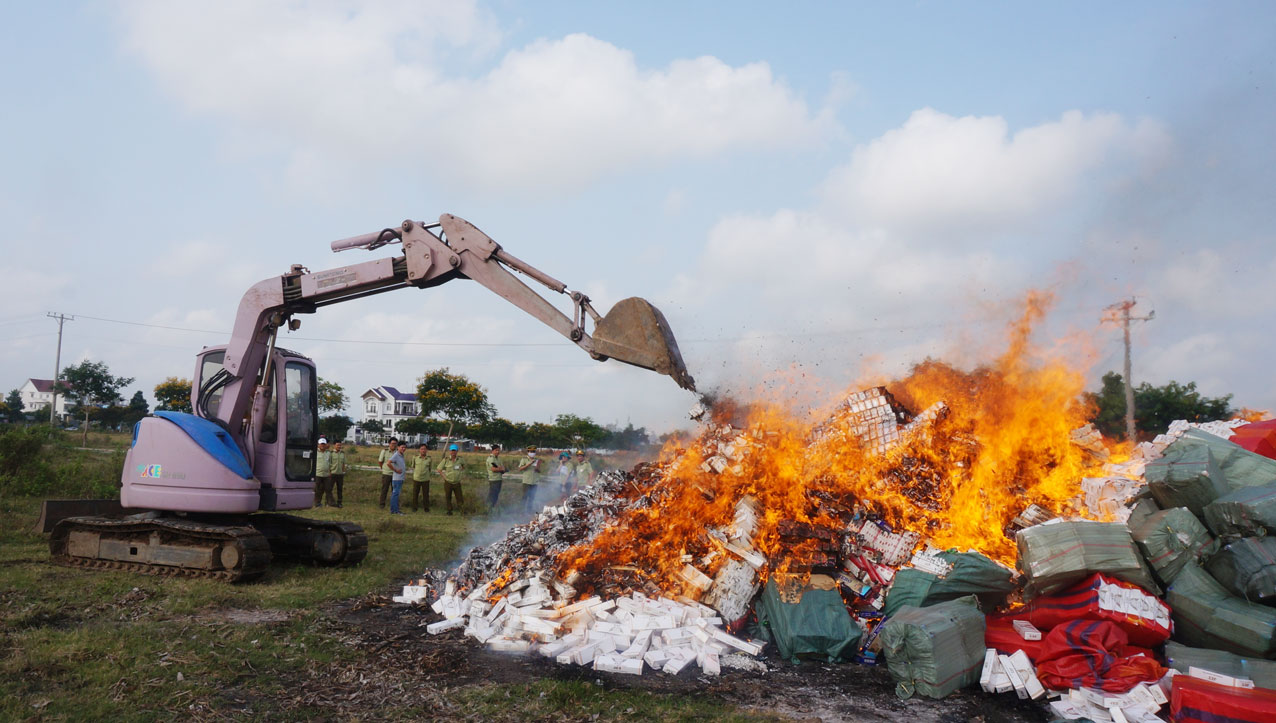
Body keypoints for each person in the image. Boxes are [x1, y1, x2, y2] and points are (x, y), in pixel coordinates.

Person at [436, 444, 465, 515]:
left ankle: (462, 510)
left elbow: (464, 466)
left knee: (459, 497)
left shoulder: (460, 459)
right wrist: (444, 477)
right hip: (448, 482)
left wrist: (460, 473)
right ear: (450, 451)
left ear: (457, 451)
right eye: (452, 451)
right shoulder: (446, 460)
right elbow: (439, 469)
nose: (453, 452)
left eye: (455, 451)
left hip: (457, 482)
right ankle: (449, 510)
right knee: (448, 497)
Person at [516, 445, 542, 513]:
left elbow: (539, 470)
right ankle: (521, 510)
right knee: (525, 497)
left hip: (534, 481)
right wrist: (529, 464)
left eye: (534, 451)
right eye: (531, 451)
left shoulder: (537, 460)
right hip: (527, 481)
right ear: (528, 452)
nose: (532, 453)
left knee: (532, 497)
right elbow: (520, 468)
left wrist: (537, 469)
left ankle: (529, 510)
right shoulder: (524, 459)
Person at [485, 444, 507, 512]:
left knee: (496, 495)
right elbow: (493, 469)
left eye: (498, 450)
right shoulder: (491, 459)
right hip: (493, 479)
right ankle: (488, 509)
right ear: (492, 451)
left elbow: (502, 468)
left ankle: (491, 508)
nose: (498, 452)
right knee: (492, 495)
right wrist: (501, 469)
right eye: (496, 450)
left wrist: (502, 469)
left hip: (499, 479)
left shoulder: (498, 459)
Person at [410, 444, 431, 512]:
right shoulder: (415, 458)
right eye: (422, 449)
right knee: (415, 494)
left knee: (426, 494)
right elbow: (413, 466)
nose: (423, 450)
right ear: (419, 450)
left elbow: (429, 469)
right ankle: (414, 508)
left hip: (425, 479)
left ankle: (426, 508)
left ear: (426, 450)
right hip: (417, 478)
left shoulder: (429, 459)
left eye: (424, 449)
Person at [378, 438, 398, 508]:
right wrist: (383, 469)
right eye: (392, 444)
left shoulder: (398, 452)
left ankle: (393, 504)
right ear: (389, 444)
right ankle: (382, 504)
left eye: (395, 444)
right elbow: (380, 462)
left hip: (395, 474)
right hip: (386, 473)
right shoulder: (384, 451)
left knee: (394, 490)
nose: (394, 445)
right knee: (384, 489)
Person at [387, 441, 406, 515]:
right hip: (397, 478)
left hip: (400, 478)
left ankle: (395, 509)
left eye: (404, 447)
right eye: (402, 447)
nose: (403, 449)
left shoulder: (401, 455)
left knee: (396, 494)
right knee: (395, 494)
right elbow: (388, 463)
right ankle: (394, 510)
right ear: (398, 447)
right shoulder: (396, 455)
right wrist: (395, 470)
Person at [314, 437, 333, 507]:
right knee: (317, 490)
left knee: (328, 489)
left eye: (324, 444)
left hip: (326, 474)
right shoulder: (314, 452)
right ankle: (316, 503)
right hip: (317, 474)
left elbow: (330, 463)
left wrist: (330, 471)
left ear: (326, 445)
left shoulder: (328, 453)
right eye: (321, 444)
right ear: (318, 445)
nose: (322, 445)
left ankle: (329, 503)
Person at [330, 441, 347, 508]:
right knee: (329, 489)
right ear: (334, 445)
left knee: (340, 489)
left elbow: (343, 464)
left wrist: (343, 472)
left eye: (340, 445)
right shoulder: (331, 453)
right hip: (332, 473)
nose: (339, 447)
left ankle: (339, 502)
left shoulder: (342, 454)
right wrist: (329, 472)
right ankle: (328, 502)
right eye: (337, 445)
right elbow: (329, 463)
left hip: (340, 474)